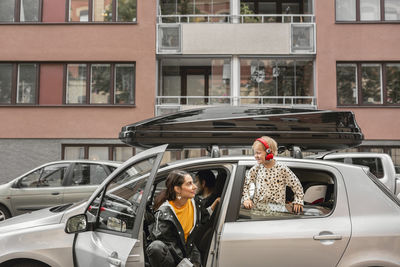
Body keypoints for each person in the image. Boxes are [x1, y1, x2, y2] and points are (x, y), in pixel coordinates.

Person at [146, 170, 219, 267]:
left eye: (193, 182)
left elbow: (205, 216)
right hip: (173, 258)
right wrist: (186, 264)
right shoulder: (164, 213)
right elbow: (170, 246)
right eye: (189, 184)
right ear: (178, 189)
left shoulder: (195, 203)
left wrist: (217, 202)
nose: (195, 186)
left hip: (191, 253)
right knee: (155, 247)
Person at [242, 136, 304, 214]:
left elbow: (296, 185)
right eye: (255, 153)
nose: (256, 156)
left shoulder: (282, 169)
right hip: (258, 211)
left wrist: (298, 201)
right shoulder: (256, 169)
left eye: (258, 153)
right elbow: (245, 184)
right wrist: (246, 198)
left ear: (269, 152)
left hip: (277, 212)